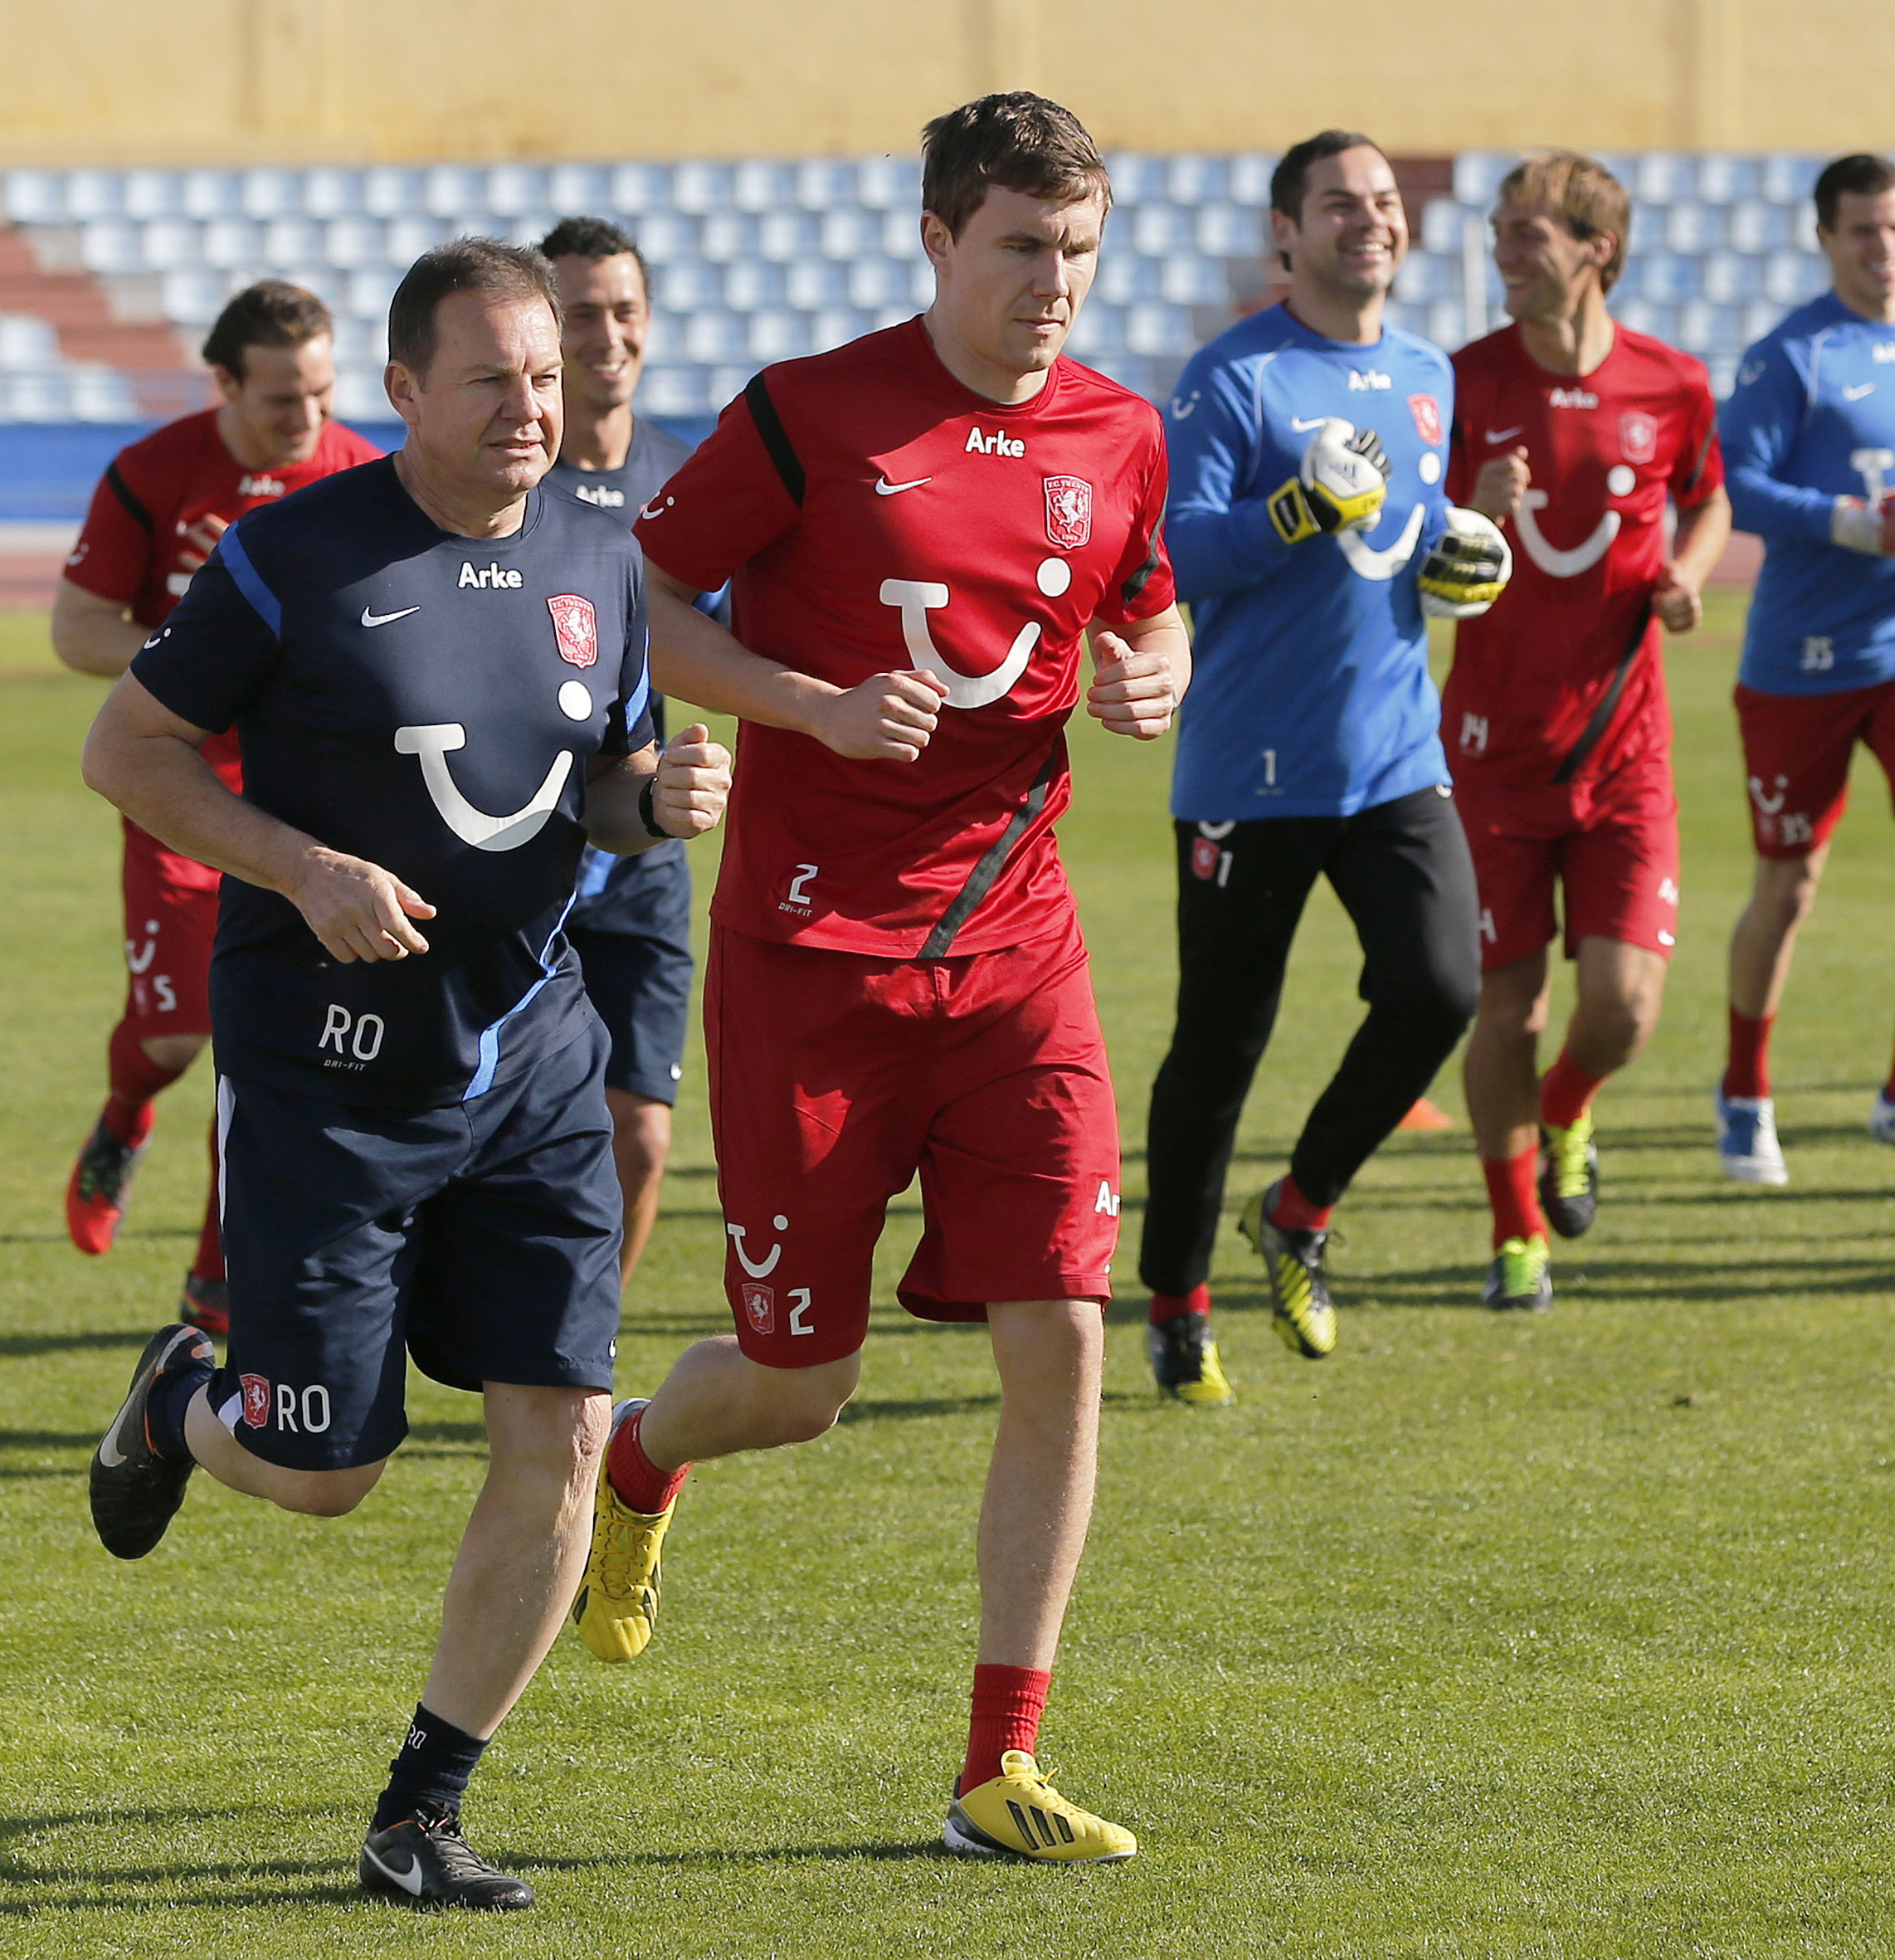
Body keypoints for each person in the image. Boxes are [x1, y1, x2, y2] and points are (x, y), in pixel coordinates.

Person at [78, 237, 733, 1912]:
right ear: (400, 393)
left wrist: (647, 801)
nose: (532, 404)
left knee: (564, 1428)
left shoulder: (603, 545)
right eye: (490, 378)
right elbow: (127, 748)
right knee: (324, 1468)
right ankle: (177, 1397)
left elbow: (583, 785)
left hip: (534, 1061)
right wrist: (301, 867)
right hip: (326, 1072)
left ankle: (421, 1809)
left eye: (545, 374)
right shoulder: (295, 556)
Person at [575, 92, 1189, 1863]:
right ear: (936, 242)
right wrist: (811, 704)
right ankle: (638, 1460)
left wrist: (1153, 671)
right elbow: (651, 598)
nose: (1052, 282)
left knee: (1063, 1335)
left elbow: (1146, 604)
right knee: (800, 1380)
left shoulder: (1117, 433)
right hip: (809, 967)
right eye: (1019, 246)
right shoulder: (808, 410)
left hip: (1017, 954)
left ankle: (997, 1760)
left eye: (1077, 249)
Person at [1137, 129, 1488, 1398]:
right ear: (1284, 233)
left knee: (1442, 985)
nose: (1369, 220)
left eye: (1383, 201)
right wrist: (1291, 510)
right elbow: (1175, 551)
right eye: (1338, 204)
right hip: (1250, 769)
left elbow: (1399, 548)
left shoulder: (1423, 372)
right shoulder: (1232, 378)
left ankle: (1296, 1207)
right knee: (1218, 1047)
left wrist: (1454, 562)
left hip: (1392, 753)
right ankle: (1174, 1298)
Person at [50, 280, 382, 1331]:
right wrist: (202, 660)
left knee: (262, 1043)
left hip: (317, 801)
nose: (309, 420)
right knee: (179, 1028)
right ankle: (124, 1114)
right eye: (284, 399)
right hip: (183, 790)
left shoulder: (365, 474)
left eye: (323, 393)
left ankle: (216, 1278)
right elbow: (77, 629)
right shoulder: (153, 475)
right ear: (227, 382)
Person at [1446, 152, 1730, 1310]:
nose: (1503, 251)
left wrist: (1688, 574)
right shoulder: (1459, 382)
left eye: (1528, 234)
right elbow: (1413, 556)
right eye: (1500, 232)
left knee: (1620, 1006)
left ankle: (1566, 1105)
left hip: (1623, 752)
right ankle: (1516, 1238)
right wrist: (1469, 515)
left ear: (1592, 251)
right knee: (1502, 1007)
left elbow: (1708, 494)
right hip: (1487, 753)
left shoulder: (1670, 383)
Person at [1714, 152, 1895, 1186]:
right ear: (1825, 238)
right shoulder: (1791, 356)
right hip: (1800, 661)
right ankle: (1746, 1093)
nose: (1887, 249)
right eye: (1864, 231)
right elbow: (1734, 487)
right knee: (1787, 891)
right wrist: (1857, 525)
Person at [538, 215, 699, 1277]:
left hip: (643, 854)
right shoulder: (503, 480)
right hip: (519, 844)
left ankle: (582, 1346)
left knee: (641, 1136)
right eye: (582, 313)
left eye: (624, 311)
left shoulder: (692, 483)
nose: (608, 335)